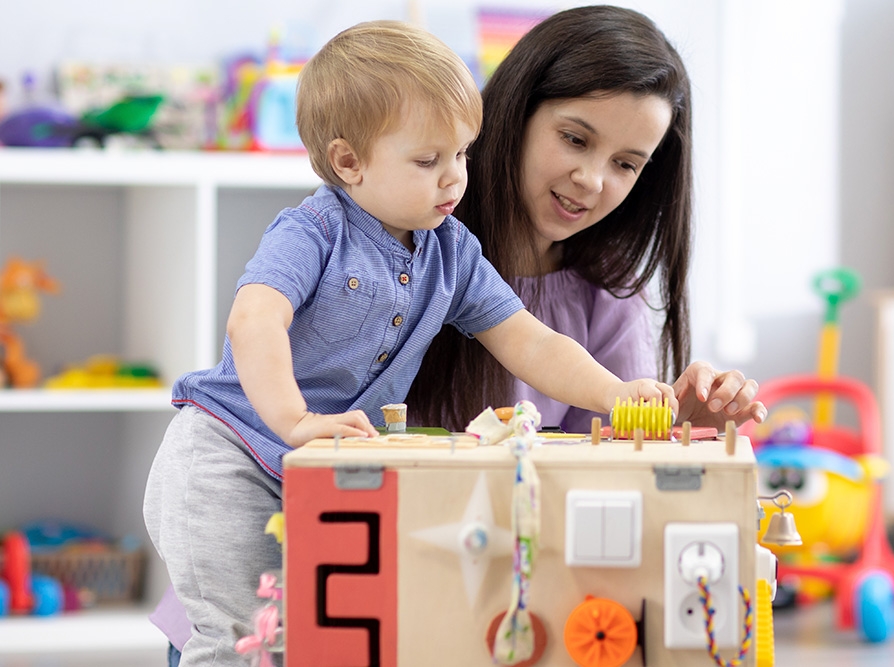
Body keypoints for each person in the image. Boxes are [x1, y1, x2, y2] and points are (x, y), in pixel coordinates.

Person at [144, 19, 680, 666]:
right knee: (245, 642)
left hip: (316, 475)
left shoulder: (452, 251)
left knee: (306, 642)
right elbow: (253, 320)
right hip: (229, 457)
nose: (454, 178)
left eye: (461, 154)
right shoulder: (312, 230)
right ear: (349, 162)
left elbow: (531, 342)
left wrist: (616, 392)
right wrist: (295, 420)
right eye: (429, 161)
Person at [408, 5, 766, 433]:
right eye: (575, 139)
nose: (592, 181)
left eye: (626, 164)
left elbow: (601, 464)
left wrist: (672, 424)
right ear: (516, 112)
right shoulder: (408, 246)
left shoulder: (607, 290)